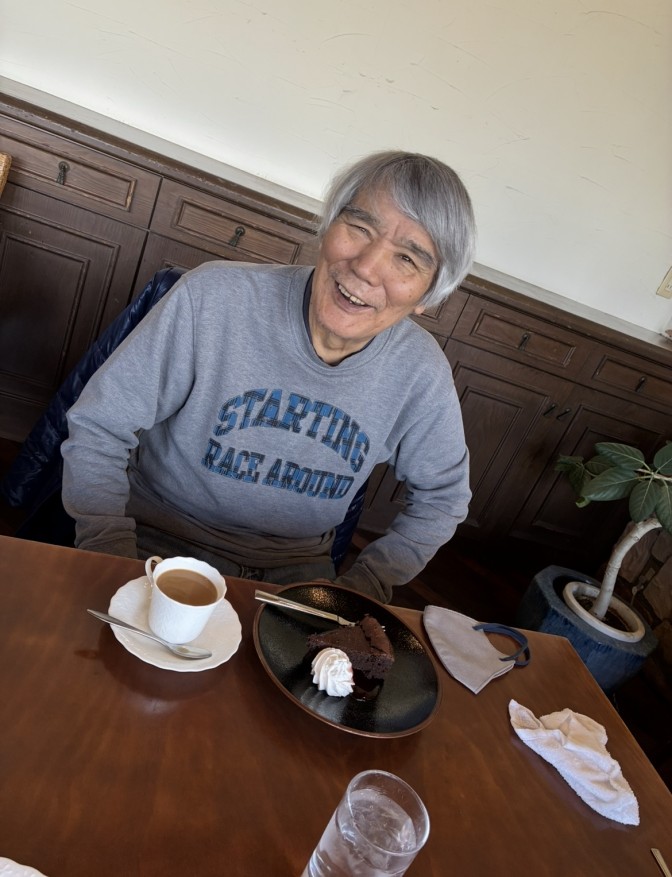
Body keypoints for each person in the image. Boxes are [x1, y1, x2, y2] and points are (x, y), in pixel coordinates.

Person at [61, 150, 476, 603]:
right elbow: (100, 424)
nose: (365, 267)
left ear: (428, 296)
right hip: (156, 539)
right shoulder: (213, 297)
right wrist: (110, 553)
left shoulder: (420, 372)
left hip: (295, 573)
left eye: (407, 259)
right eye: (360, 228)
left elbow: (443, 498)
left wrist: (365, 587)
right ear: (329, 226)